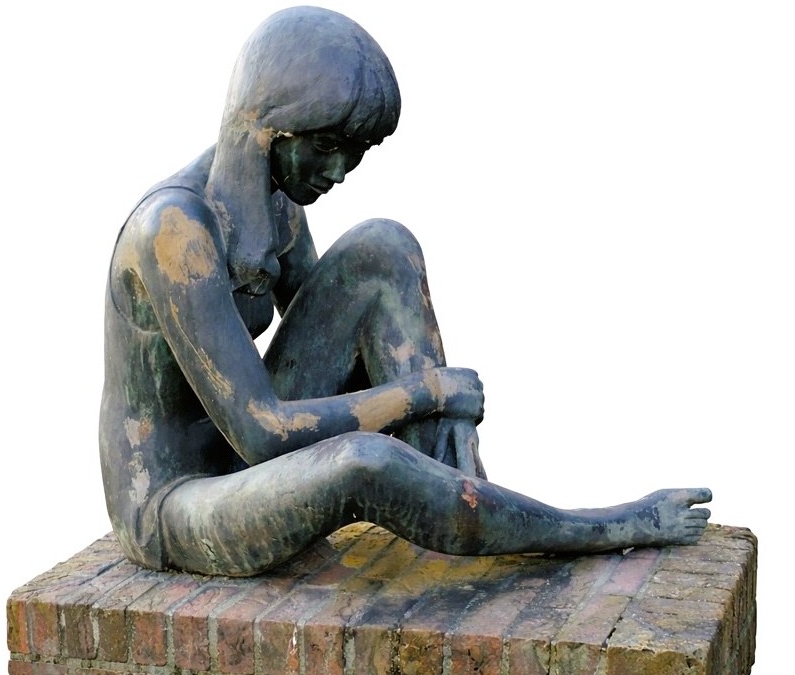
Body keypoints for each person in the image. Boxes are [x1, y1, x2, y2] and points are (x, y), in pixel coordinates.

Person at [99, 6, 711, 576]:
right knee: (364, 464)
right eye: (326, 146)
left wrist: (441, 417)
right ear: (269, 128)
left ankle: (463, 503)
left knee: (382, 248)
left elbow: (339, 339)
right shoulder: (174, 229)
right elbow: (262, 431)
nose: (339, 172)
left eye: (355, 152)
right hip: (178, 504)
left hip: (245, 464)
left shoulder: (275, 202)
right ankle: (597, 528)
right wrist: (426, 392)